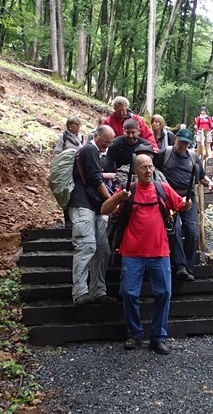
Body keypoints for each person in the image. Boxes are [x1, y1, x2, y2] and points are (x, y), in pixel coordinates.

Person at [101, 153, 192, 354]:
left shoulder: (163, 189)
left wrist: (187, 204)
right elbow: (104, 209)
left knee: (164, 293)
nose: (148, 170)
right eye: (144, 167)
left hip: (160, 251)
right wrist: (118, 197)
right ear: (136, 170)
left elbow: (183, 205)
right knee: (128, 292)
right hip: (132, 252)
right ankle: (134, 333)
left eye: (150, 167)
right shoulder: (128, 190)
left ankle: (158, 337)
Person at [154, 129, 213, 282]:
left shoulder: (193, 156)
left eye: (186, 144)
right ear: (175, 139)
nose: (182, 146)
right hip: (168, 197)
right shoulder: (164, 154)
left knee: (192, 231)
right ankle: (180, 266)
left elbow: (201, 176)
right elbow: (153, 170)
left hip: (188, 197)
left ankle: (189, 268)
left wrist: (210, 183)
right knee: (175, 229)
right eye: (181, 143)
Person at [68, 125, 117, 306]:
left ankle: (98, 291)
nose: (107, 146)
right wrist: (112, 200)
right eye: (105, 142)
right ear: (96, 136)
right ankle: (80, 292)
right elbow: (95, 179)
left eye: (110, 143)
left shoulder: (95, 151)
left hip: (93, 207)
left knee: (102, 249)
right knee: (86, 246)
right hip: (82, 204)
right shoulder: (89, 149)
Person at [54, 115, 85, 228]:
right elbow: (58, 153)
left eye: (79, 125)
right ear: (70, 125)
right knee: (66, 192)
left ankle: (76, 218)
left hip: (79, 169)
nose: (78, 127)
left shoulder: (81, 137)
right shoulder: (64, 136)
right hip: (66, 169)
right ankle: (67, 219)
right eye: (76, 125)